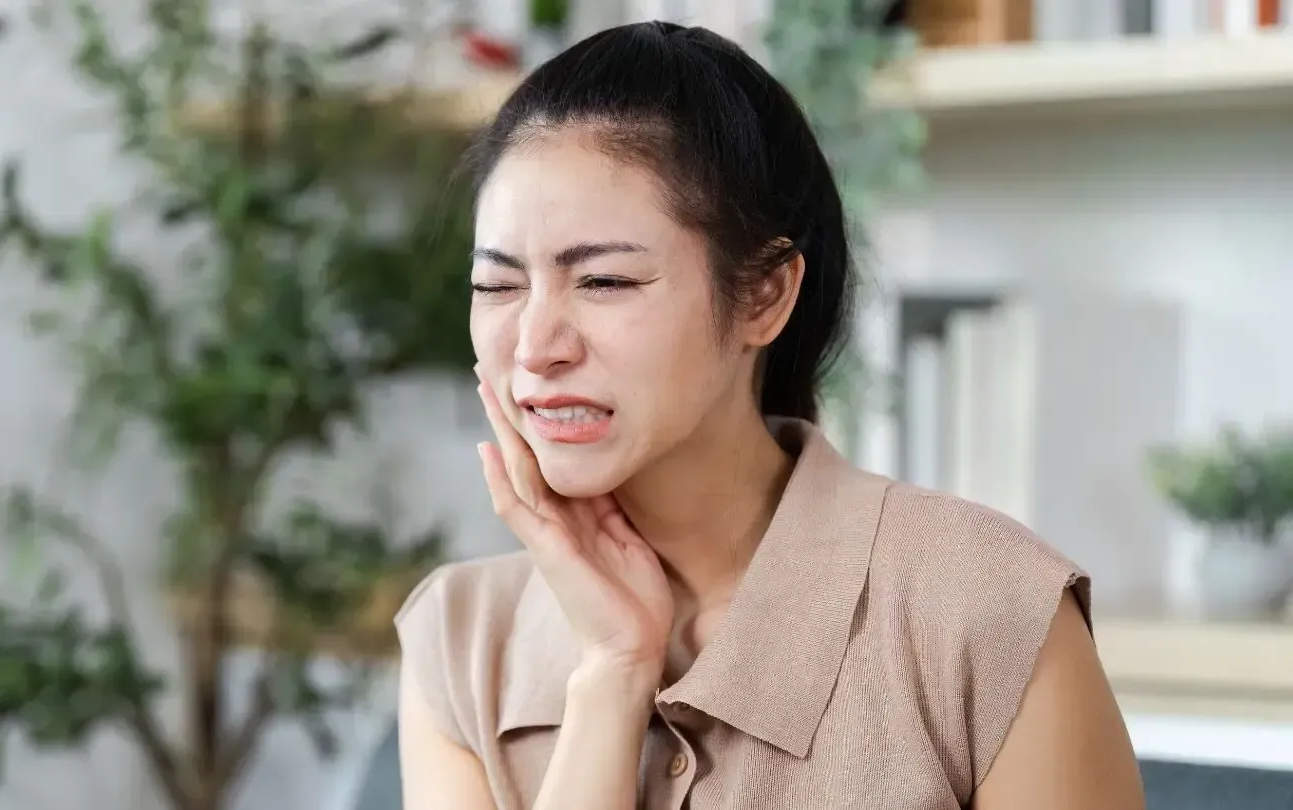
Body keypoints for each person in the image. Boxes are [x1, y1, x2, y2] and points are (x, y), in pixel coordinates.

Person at [395, 20, 1145, 810]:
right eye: (498, 287)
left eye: (605, 282)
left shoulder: (985, 608)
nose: (536, 347)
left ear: (764, 294)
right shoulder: (461, 635)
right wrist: (612, 675)